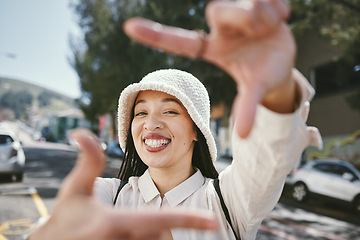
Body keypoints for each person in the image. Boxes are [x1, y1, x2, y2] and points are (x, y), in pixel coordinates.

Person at [28, 0, 322, 239]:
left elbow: (266, 156)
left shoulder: (228, 201)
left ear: (197, 130)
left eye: (170, 111)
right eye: (141, 112)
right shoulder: (107, 195)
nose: (150, 124)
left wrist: (276, 89)